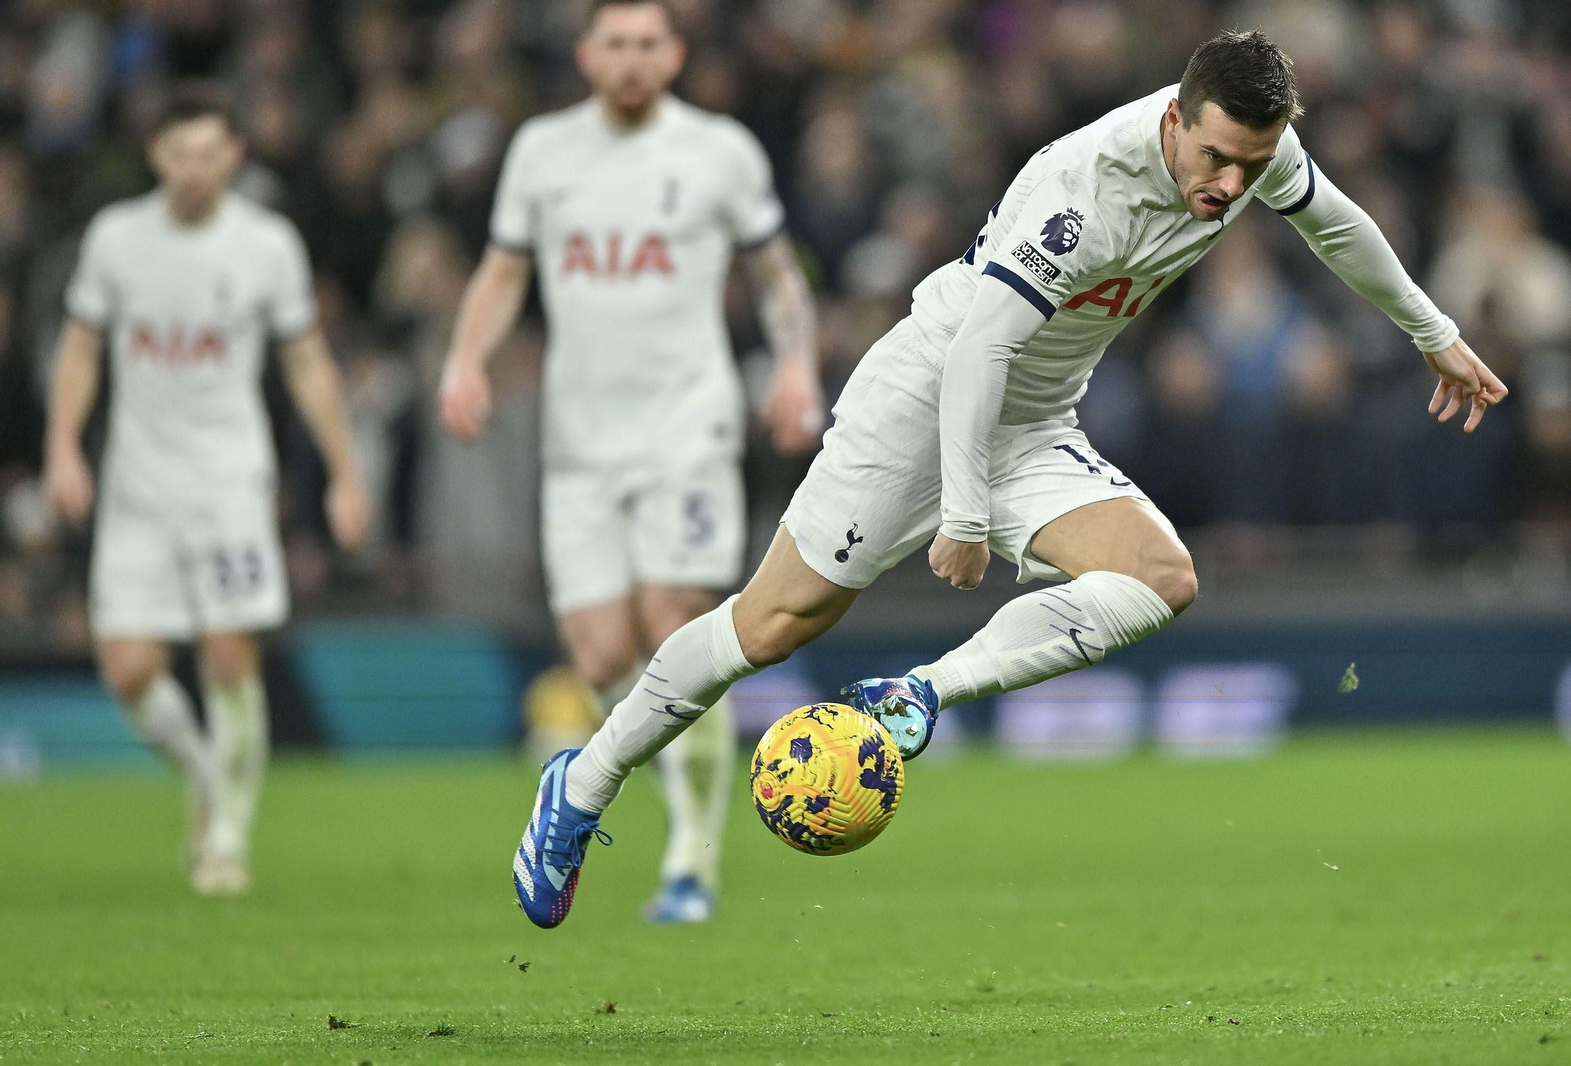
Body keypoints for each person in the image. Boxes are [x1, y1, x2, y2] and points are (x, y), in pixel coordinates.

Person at [509, 30, 1508, 928]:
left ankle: (916, 693)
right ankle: (584, 783)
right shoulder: (1082, 187)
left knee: (1161, 577)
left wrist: (1435, 335)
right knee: (773, 624)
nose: (1226, 185)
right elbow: (981, 346)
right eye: (1212, 158)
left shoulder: (1258, 151)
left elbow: (1334, 225)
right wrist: (963, 511)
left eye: (1248, 167)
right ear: (1173, 120)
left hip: (1033, 420)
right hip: (929, 396)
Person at [438, 0, 822, 924]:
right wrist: (464, 358)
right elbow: (501, 271)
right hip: (580, 442)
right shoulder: (543, 151)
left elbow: (775, 273)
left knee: (675, 618)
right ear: (586, 53)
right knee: (604, 651)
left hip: (688, 425)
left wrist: (797, 366)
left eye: (649, 43)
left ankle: (691, 856)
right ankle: (630, 794)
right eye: (615, 43)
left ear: (676, 53)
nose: (632, 59)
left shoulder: (718, 150)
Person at [43, 90, 370, 895]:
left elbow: (305, 363)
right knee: (126, 668)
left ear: (234, 156)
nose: (193, 169)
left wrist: (345, 470)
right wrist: (62, 448)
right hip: (137, 485)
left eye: (208, 153)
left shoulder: (266, 245)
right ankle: (202, 773)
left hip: (229, 479)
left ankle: (225, 838)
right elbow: (81, 351)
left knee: (229, 653)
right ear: (157, 156)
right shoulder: (117, 240)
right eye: (178, 153)